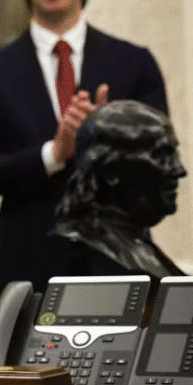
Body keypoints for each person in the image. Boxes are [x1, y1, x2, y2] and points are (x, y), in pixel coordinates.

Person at [0, 0, 168, 305]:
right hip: (28, 271)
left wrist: (107, 141)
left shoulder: (134, 64)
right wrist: (54, 153)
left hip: (121, 267)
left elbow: (158, 170)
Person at [51, 100, 185, 279]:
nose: (179, 170)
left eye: (175, 154)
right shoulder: (87, 251)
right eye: (161, 155)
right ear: (110, 170)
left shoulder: (136, 243)